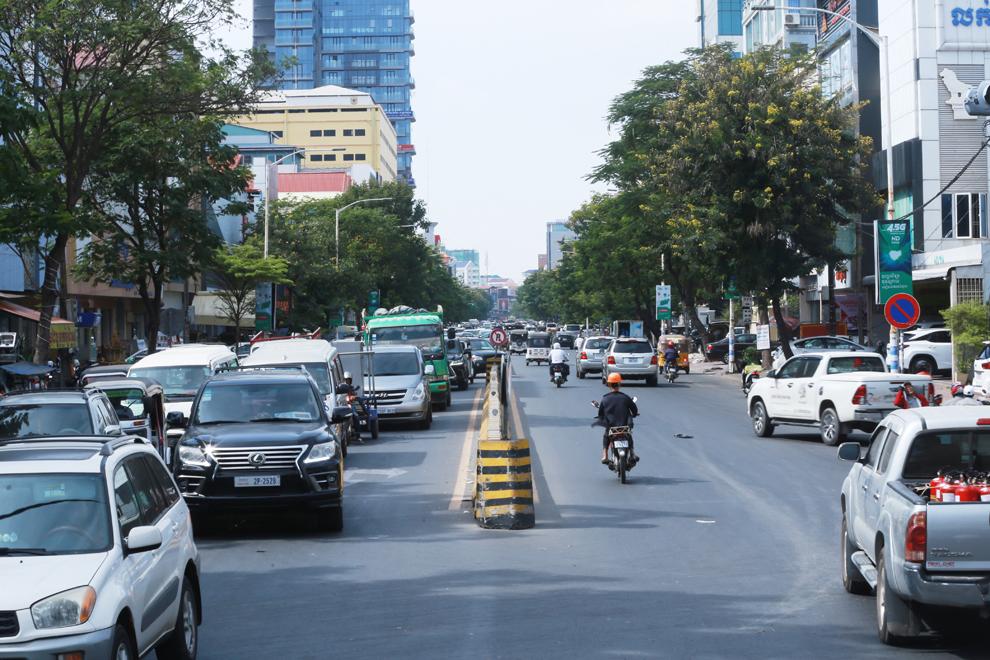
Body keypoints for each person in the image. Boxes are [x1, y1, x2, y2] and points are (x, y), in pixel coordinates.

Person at [597, 373, 639, 464]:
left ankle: (605, 455)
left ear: (609, 384)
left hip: (612, 428)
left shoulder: (605, 399)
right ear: (619, 384)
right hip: (625, 428)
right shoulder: (625, 397)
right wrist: (634, 414)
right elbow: (634, 410)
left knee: (606, 435)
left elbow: (600, 414)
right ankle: (632, 453)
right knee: (629, 435)